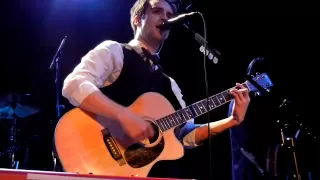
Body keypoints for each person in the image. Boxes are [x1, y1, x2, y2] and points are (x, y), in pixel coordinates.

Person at [61, 0, 251, 178]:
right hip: (92, 159)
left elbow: (185, 135)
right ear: (137, 19)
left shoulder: (170, 85)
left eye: (169, 14)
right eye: (157, 11)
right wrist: (123, 116)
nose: (165, 18)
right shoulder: (115, 51)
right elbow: (74, 84)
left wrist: (232, 121)